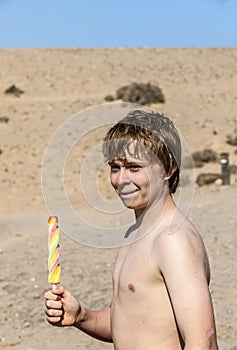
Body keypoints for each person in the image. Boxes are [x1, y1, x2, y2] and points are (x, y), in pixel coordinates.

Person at [45, 109, 219, 349]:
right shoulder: (136, 233)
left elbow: (203, 341)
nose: (121, 180)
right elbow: (131, 325)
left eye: (134, 168)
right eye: (115, 168)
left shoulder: (173, 240)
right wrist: (81, 316)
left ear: (168, 169)